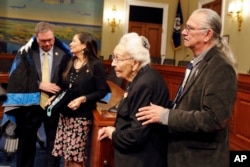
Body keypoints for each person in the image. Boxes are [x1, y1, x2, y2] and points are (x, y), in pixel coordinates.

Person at [136, 8, 238, 167]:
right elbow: (186, 103)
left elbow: (214, 119)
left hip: (200, 159)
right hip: (183, 154)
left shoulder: (221, 67)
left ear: (207, 35)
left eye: (190, 28)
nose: (184, 32)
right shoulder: (198, 62)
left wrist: (166, 116)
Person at [3, 21, 71, 167]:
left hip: (53, 105)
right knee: (26, 143)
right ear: (36, 37)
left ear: (54, 36)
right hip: (31, 106)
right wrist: (40, 84)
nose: (47, 44)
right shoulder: (26, 53)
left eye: (50, 40)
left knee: (53, 143)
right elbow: (19, 77)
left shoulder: (63, 54)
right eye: (43, 41)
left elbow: (67, 80)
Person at [97, 32, 170, 167]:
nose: (113, 63)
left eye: (118, 59)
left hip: (142, 160)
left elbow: (137, 136)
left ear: (135, 63)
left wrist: (113, 134)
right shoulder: (137, 78)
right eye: (113, 58)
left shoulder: (145, 83)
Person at [50, 32, 108, 167]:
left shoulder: (96, 65)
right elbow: (64, 87)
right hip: (64, 116)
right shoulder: (70, 62)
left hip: (81, 118)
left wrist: (83, 98)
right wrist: (55, 97)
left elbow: (102, 91)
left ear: (83, 45)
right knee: (66, 154)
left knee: (76, 157)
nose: (70, 43)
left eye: (74, 41)